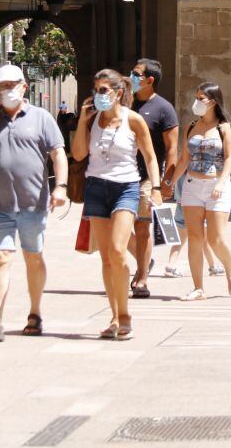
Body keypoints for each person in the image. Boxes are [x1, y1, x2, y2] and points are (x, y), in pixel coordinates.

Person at [0, 64, 68, 342]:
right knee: (1, 257)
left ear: (23, 87)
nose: (6, 91)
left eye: (11, 86)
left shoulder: (41, 118)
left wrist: (61, 187)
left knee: (33, 257)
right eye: (1, 87)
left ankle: (35, 312)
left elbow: (58, 153)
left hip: (33, 203)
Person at [73, 69, 160, 340]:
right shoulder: (92, 119)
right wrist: (82, 121)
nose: (98, 95)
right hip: (96, 188)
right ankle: (114, 317)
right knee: (106, 257)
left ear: (118, 92)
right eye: (96, 90)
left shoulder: (133, 120)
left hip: (126, 187)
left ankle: (125, 315)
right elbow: (78, 154)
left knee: (118, 250)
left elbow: (150, 156)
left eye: (103, 90)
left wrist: (156, 188)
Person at [168, 82, 231, 300]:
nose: (196, 102)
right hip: (192, 186)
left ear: (213, 102)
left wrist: (221, 183)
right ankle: (198, 288)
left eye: (201, 98)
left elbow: (230, 158)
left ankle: (230, 271)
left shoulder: (225, 128)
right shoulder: (191, 127)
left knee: (216, 239)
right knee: (195, 238)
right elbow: (184, 159)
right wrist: (170, 182)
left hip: (217, 186)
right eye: (196, 97)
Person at [128, 58, 178, 299]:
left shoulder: (163, 109)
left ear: (149, 80)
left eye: (136, 74)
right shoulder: (124, 102)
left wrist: (166, 182)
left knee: (142, 227)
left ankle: (142, 279)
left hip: (147, 176)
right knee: (110, 225)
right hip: (120, 175)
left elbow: (172, 149)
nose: (131, 76)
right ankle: (144, 260)